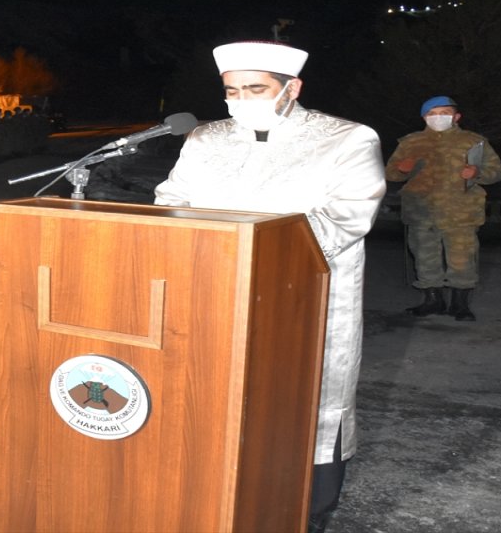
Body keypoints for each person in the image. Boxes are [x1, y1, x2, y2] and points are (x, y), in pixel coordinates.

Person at [154, 41, 386, 533]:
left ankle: (308, 513)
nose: (242, 99)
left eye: (256, 88)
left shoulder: (347, 138)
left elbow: (348, 217)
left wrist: (250, 246)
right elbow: (172, 198)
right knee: (212, 400)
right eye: (232, 90)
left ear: (292, 88)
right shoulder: (205, 139)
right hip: (211, 293)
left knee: (304, 406)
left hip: (303, 298)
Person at [385, 95, 501, 322]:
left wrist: (477, 174)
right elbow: (390, 173)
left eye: (444, 113)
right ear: (424, 117)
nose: (438, 117)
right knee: (424, 257)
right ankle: (432, 300)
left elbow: (498, 171)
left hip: (460, 211)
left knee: (461, 257)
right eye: (432, 113)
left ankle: (459, 304)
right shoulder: (411, 142)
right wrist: (402, 169)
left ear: (456, 116)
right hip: (421, 211)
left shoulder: (473, 141)